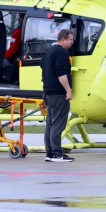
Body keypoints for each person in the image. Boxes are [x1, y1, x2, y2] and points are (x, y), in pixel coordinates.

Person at [41, 29, 75, 163]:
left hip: (48, 93)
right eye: (71, 39)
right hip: (58, 94)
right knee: (58, 125)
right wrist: (68, 90)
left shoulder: (49, 51)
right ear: (63, 39)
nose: (72, 42)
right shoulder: (61, 52)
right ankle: (57, 153)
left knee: (50, 124)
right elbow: (62, 74)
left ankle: (49, 153)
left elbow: (42, 66)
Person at [2, 12, 26, 83]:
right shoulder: (28, 29)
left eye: (21, 16)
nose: (19, 19)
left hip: (16, 60)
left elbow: (12, 51)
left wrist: (4, 55)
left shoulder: (18, 32)